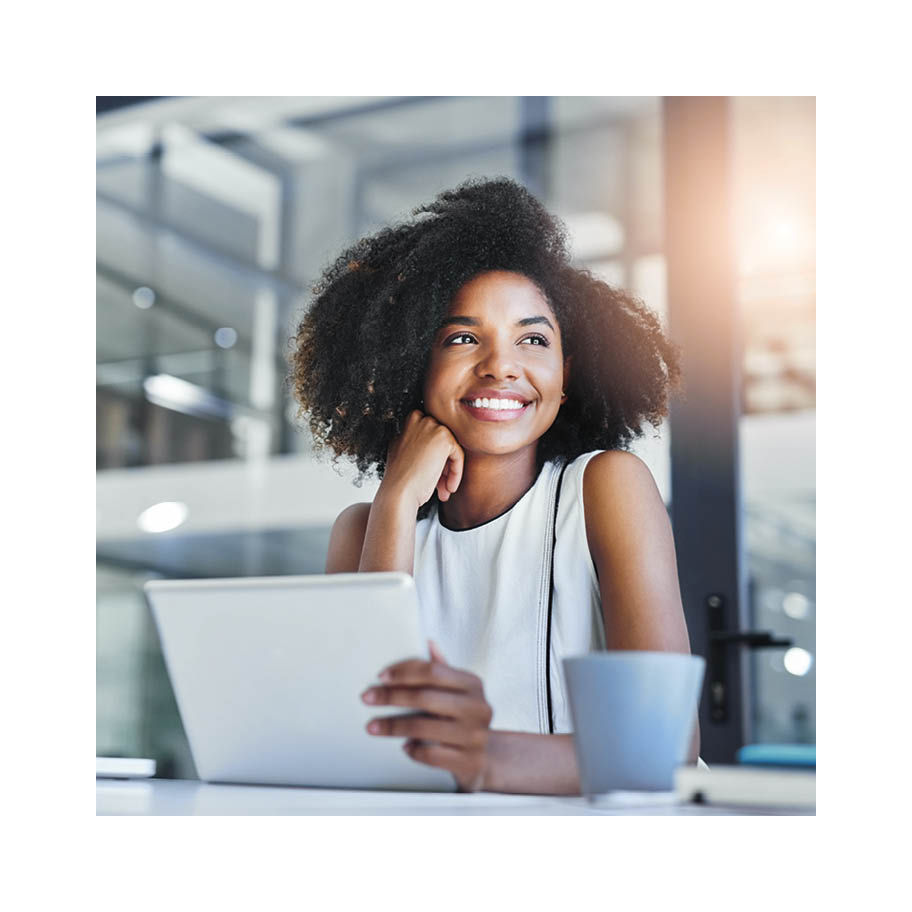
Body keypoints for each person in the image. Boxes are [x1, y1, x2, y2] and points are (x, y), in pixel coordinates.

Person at [290, 176, 698, 794]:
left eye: (533, 339)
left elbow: (663, 745)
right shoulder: (364, 529)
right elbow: (362, 741)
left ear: (566, 373)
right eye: (462, 338)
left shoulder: (605, 488)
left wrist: (484, 758)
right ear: (411, 363)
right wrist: (396, 501)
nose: (501, 365)